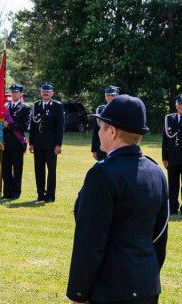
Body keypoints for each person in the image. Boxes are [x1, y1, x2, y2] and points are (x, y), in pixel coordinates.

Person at [67, 94, 169, 304]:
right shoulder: (156, 171)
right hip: (146, 286)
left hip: (110, 290)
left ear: (112, 131)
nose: (99, 132)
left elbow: (90, 241)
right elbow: (159, 236)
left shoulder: (102, 174)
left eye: (101, 126)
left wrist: (78, 292)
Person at [29, 82, 64, 202]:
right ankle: (40, 194)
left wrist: (58, 144)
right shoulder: (36, 105)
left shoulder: (57, 106)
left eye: (48, 91)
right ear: (40, 93)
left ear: (52, 93)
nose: (45, 93)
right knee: (39, 170)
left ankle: (50, 195)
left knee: (51, 171)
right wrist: (31, 143)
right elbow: (33, 126)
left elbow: (60, 127)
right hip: (38, 144)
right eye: (44, 91)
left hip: (51, 144)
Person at [1, 84, 30, 200]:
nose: (14, 94)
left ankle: (16, 193)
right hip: (4, 143)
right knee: (6, 170)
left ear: (20, 94)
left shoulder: (25, 108)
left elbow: (25, 125)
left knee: (17, 170)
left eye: (16, 92)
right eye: (12, 92)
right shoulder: (4, 108)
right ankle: (7, 192)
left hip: (17, 143)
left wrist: (9, 125)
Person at [162, 94, 182, 215]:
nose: (181, 106)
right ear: (176, 105)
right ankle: (173, 208)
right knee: (173, 185)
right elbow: (165, 140)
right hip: (172, 159)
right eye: (179, 104)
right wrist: (165, 157)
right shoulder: (169, 119)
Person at [91, 85, 119, 161]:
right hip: (102, 148)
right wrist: (94, 149)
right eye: (108, 95)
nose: (110, 97)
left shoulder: (121, 109)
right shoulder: (100, 110)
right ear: (105, 97)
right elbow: (96, 130)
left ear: (117, 96)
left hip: (117, 147)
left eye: (112, 95)